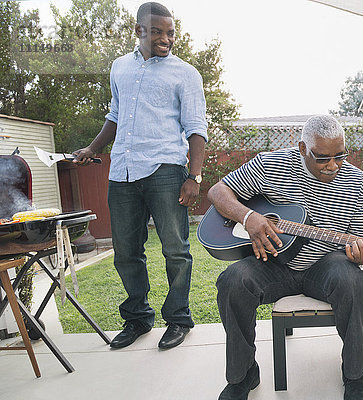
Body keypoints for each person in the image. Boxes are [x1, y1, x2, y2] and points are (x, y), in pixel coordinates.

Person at [208, 115, 363, 400]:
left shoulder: (358, 184)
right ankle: (243, 374)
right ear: (301, 148)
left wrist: (361, 255)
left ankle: (355, 374)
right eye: (322, 158)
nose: (333, 166)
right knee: (233, 280)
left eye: (340, 156)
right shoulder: (269, 164)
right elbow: (217, 191)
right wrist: (248, 217)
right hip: (271, 263)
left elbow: (357, 245)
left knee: (353, 280)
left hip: (325, 264)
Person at [74, 2, 207, 350]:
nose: (166, 38)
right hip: (123, 171)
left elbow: (196, 128)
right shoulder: (119, 68)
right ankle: (137, 318)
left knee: (176, 249)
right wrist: (93, 148)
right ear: (139, 31)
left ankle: (178, 318)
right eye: (158, 31)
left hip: (165, 168)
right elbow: (114, 116)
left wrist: (194, 176)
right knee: (126, 252)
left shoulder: (185, 73)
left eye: (171, 32)